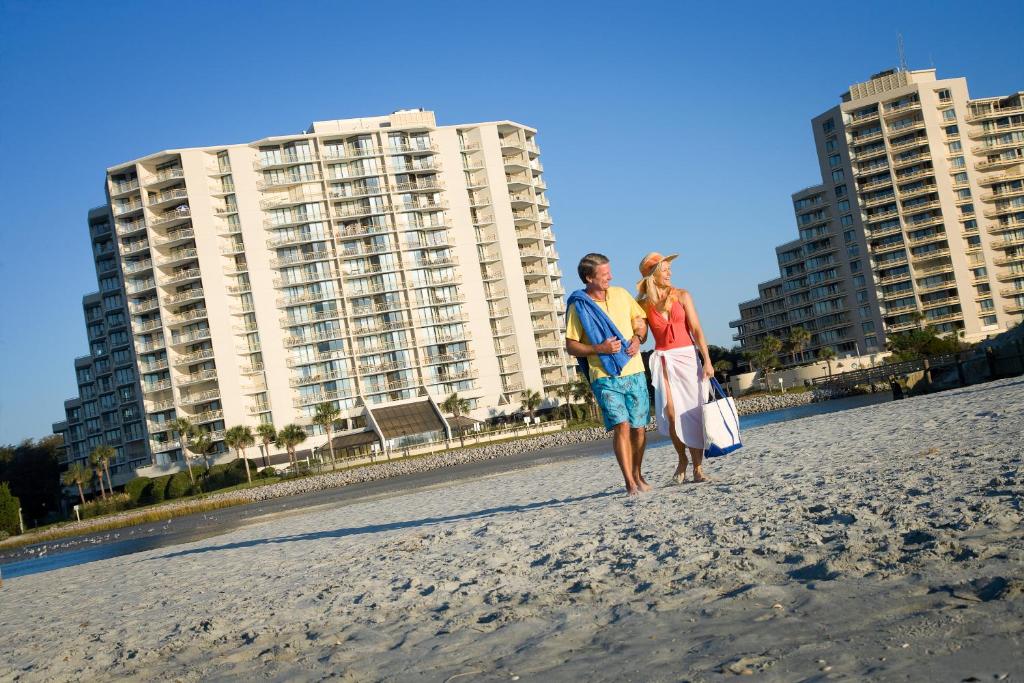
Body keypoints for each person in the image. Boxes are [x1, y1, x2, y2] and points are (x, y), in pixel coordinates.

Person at [565, 253, 651, 495]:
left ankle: (638, 472)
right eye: (604, 275)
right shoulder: (578, 306)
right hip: (603, 374)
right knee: (621, 426)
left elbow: (641, 322)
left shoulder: (622, 294)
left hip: (633, 369)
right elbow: (571, 345)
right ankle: (629, 481)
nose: (610, 277)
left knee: (639, 427)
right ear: (589, 278)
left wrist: (637, 339)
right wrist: (599, 348)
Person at [636, 252, 715, 483]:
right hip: (663, 359)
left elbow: (697, 329)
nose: (670, 272)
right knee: (671, 414)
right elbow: (641, 334)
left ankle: (698, 467)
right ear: (653, 274)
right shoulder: (643, 304)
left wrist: (707, 359)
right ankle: (682, 458)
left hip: (688, 357)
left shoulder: (682, 295)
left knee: (693, 412)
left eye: (670, 268)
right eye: (665, 268)